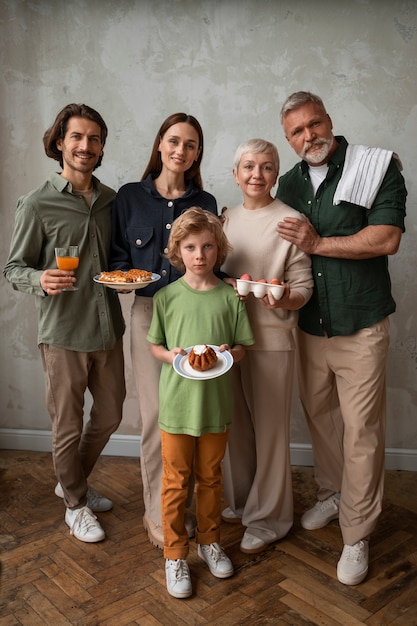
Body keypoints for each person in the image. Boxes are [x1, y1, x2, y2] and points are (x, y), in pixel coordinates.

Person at [275, 91, 407, 585]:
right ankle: (333, 493)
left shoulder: (375, 166)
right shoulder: (286, 184)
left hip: (361, 325)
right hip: (310, 325)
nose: (309, 136)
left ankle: (357, 533)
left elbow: (386, 238)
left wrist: (318, 243)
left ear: (329, 120)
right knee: (322, 419)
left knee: (362, 433)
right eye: (297, 131)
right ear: (288, 138)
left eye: (314, 124)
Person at [3, 103, 126, 543]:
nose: (85, 146)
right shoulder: (36, 203)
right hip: (63, 334)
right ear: (60, 142)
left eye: (94, 138)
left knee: (110, 415)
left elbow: (120, 261)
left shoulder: (113, 199)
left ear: (101, 146)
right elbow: (13, 268)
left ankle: (71, 481)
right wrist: (40, 277)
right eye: (77, 137)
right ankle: (75, 505)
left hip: (108, 328)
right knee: (67, 426)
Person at [109, 113, 218, 549]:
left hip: (195, 316)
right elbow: (118, 260)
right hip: (148, 315)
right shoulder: (129, 197)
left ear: (196, 154)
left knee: (190, 415)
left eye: (190, 145)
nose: (180, 150)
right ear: (159, 144)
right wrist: (131, 278)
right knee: (157, 416)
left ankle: (181, 502)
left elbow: (210, 260)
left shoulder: (206, 202)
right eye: (174, 141)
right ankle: (158, 511)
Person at [146, 207, 254, 598]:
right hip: (176, 406)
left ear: (218, 249)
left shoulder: (230, 297)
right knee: (175, 481)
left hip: (215, 407)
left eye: (208, 246)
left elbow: (243, 348)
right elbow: (155, 346)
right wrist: (173, 355)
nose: (200, 254)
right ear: (178, 250)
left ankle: (210, 541)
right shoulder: (166, 297)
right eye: (191, 247)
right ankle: (175, 554)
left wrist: (228, 353)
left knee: (210, 477)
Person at [220, 138, 314, 554]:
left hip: (272, 339)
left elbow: (303, 289)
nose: (257, 175)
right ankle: (242, 502)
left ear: (278, 173)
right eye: (249, 167)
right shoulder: (224, 219)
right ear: (236, 173)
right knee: (235, 428)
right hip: (229, 338)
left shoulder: (291, 219)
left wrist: (282, 295)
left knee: (272, 433)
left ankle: (271, 518)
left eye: (267, 167)